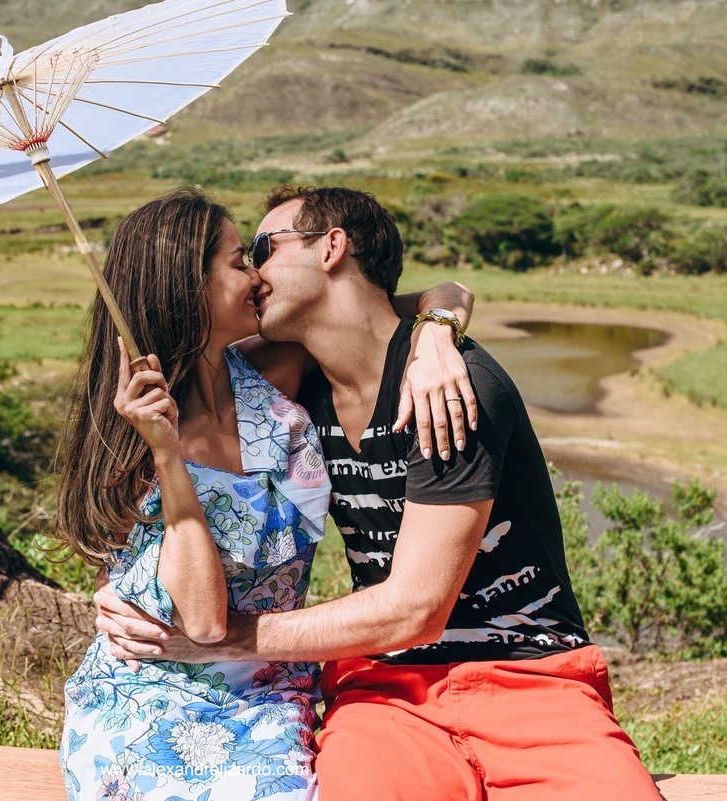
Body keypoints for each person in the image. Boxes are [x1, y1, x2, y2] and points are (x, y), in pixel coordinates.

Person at [99, 186, 664, 801]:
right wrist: (122, 584)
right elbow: (172, 435)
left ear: (332, 247)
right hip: (384, 687)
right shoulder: (288, 385)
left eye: (265, 249)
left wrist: (222, 638)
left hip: (528, 676)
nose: (255, 272)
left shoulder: (452, 386)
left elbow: (416, 609)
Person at [55, 187, 474, 801]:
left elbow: (413, 300)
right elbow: (203, 623)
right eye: (237, 262)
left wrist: (437, 332)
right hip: (156, 696)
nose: (256, 275)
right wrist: (168, 456)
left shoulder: (273, 367)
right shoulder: (137, 436)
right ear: (188, 285)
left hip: (274, 691)